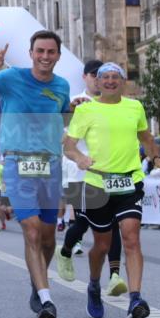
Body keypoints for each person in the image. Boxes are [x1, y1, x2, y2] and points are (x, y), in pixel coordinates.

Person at [0, 33, 71, 318]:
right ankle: (46, 299)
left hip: (50, 166)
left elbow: (62, 120)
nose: (45, 57)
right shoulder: (11, 77)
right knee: (32, 230)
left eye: (51, 52)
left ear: (58, 55)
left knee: (48, 238)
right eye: (40, 51)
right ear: (31, 53)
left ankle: (38, 282)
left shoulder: (62, 86)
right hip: (18, 162)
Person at [63, 62, 160, 318]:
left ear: (123, 81)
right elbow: (69, 146)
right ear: (97, 82)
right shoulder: (85, 110)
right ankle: (94, 286)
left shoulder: (135, 107)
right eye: (104, 77)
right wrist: (80, 158)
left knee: (131, 238)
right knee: (102, 245)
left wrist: (156, 158)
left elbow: (146, 138)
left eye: (115, 77)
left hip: (129, 182)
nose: (110, 81)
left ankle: (135, 299)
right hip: (97, 185)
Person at [56, 59, 128, 297]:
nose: (102, 79)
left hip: (110, 172)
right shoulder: (75, 102)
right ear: (86, 77)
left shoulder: (115, 103)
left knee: (114, 222)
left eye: (108, 75)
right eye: (97, 74)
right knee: (84, 222)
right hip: (79, 173)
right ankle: (65, 251)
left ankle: (115, 276)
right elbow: (62, 140)